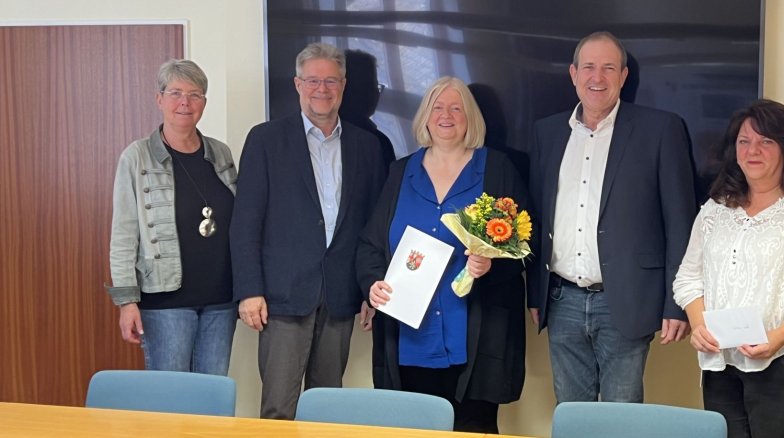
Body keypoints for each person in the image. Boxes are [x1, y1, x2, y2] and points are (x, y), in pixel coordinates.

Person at [528, 31, 698, 403]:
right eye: (589, 67)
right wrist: (535, 294)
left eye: (608, 68)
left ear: (623, 77)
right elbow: (538, 219)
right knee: (572, 416)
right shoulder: (547, 132)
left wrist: (677, 303)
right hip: (562, 300)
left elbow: (680, 221)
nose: (597, 78)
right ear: (573, 74)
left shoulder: (660, 129)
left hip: (627, 300)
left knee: (622, 420)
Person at [355, 76, 529, 433]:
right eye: (437, 106)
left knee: (473, 430)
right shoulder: (401, 172)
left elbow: (526, 245)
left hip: (475, 340)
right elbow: (371, 245)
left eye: (456, 107)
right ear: (425, 116)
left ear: (471, 118)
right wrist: (372, 285)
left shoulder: (497, 169)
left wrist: (490, 266)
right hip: (409, 339)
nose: (446, 115)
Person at [673, 99, 784, 438]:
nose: (753, 150)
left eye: (765, 141)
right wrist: (698, 325)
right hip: (720, 363)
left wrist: (776, 338)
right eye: (744, 141)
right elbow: (689, 277)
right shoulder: (715, 209)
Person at [230, 42, 387, 419]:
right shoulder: (266, 139)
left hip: (340, 295)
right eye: (313, 80)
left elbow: (374, 228)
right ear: (297, 84)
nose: (322, 89)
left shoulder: (368, 147)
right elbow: (246, 222)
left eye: (330, 80)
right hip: (282, 297)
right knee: (278, 410)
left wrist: (371, 286)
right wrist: (249, 291)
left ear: (343, 85)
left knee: (327, 409)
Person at [107, 59, 237, 375]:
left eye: (195, 95)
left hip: (221, 302)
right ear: (159, 99)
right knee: (171, 403)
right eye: (176, 92)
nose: (185, 103)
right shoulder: (136, 156)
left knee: (212, 397)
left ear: (204, 103)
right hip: (165, 304)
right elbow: (124, 236)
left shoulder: (220, 153)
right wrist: (126, 302)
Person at [339, 49, 396, 164]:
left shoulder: (379, 141)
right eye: (369, 86)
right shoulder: (377, 143)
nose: (375, 93)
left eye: (377, 86)